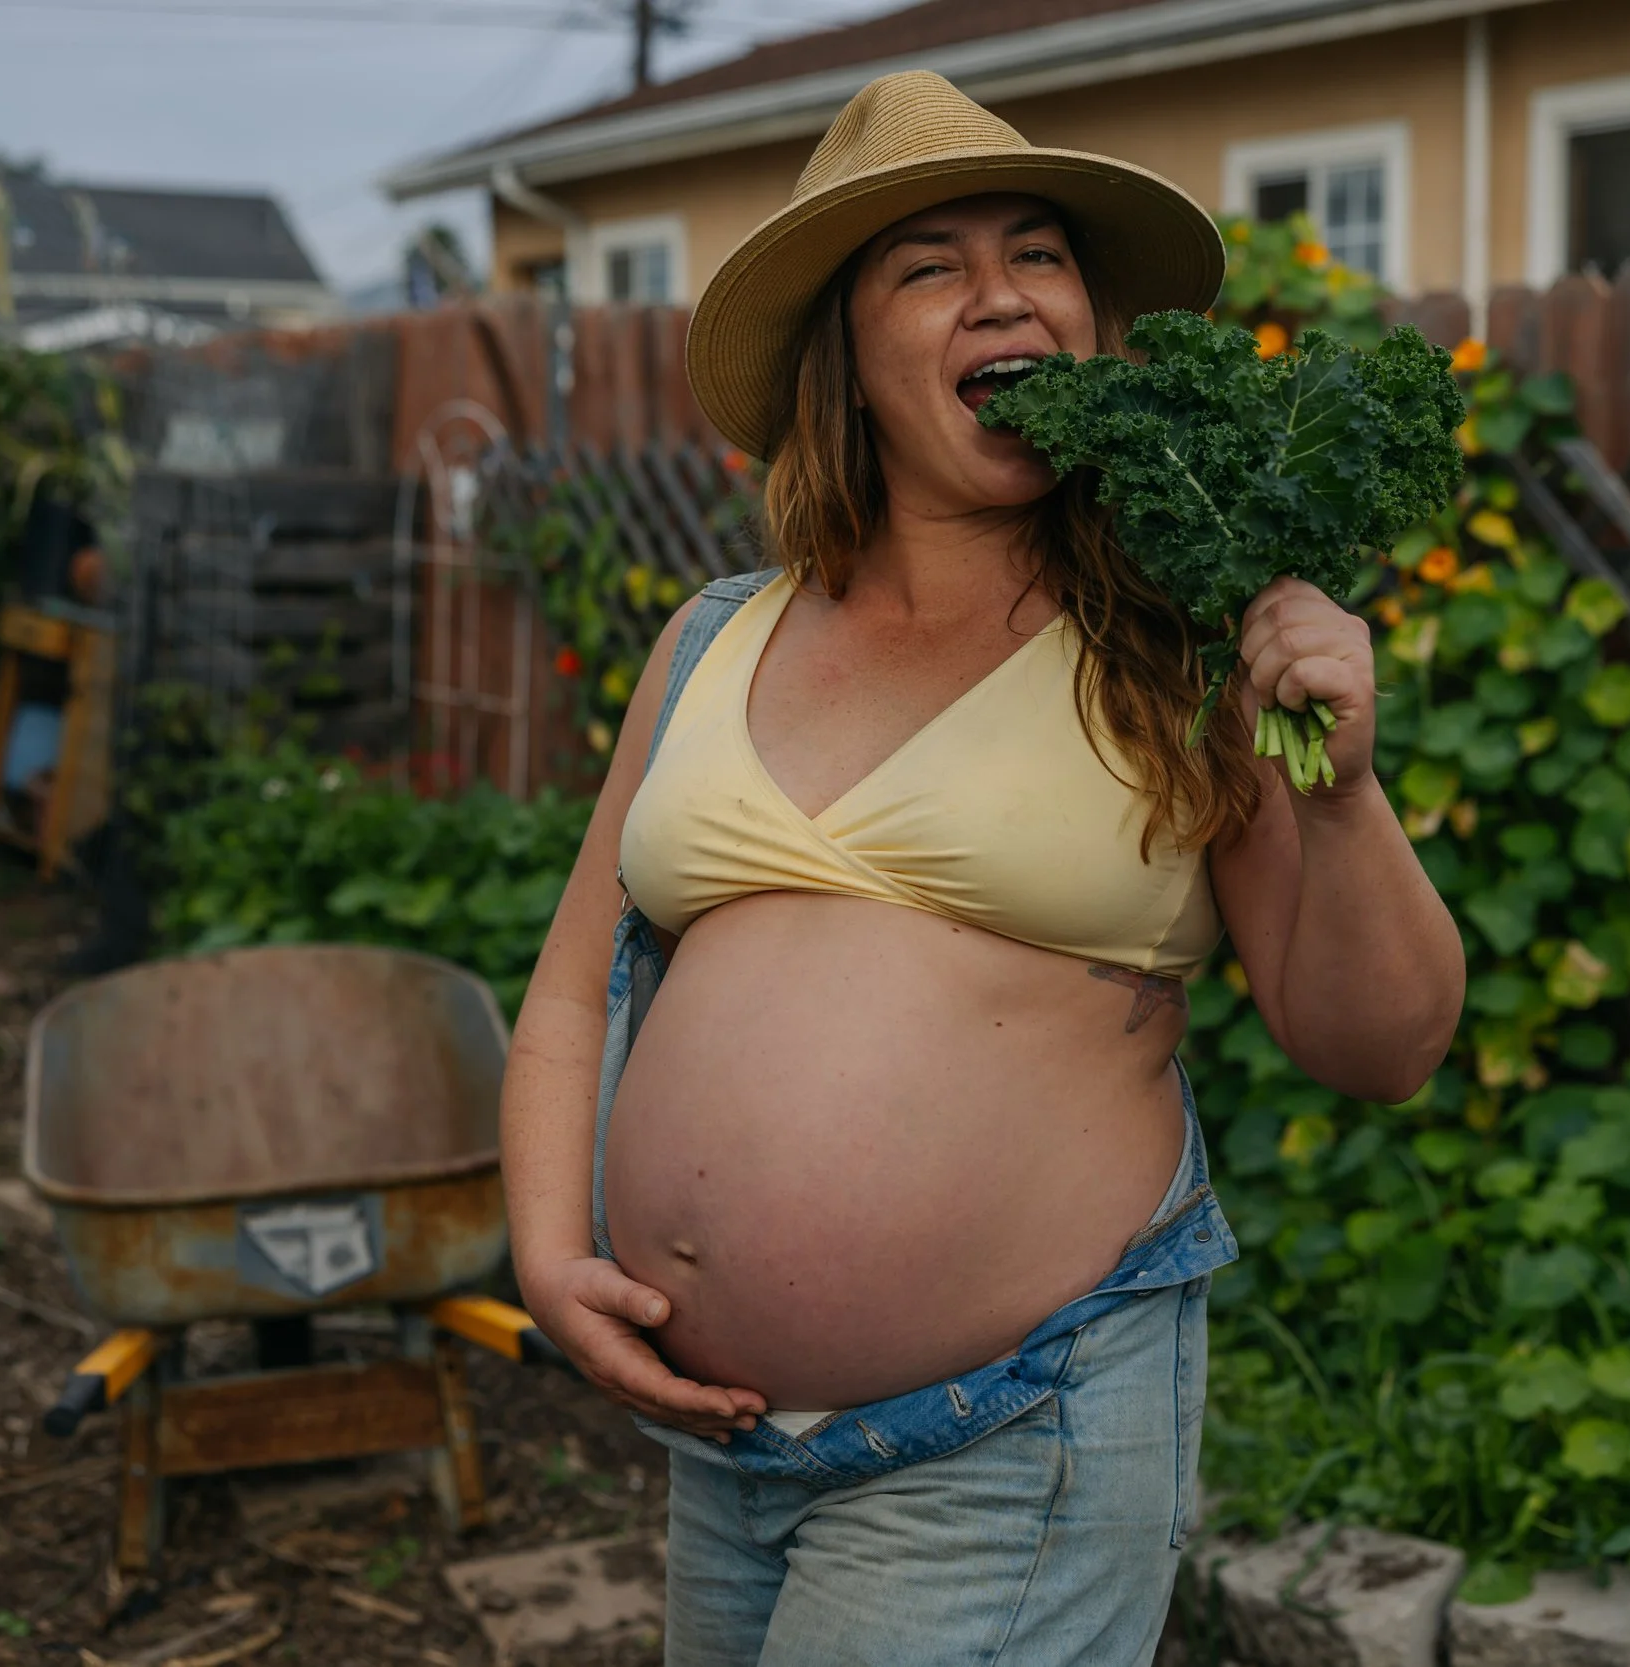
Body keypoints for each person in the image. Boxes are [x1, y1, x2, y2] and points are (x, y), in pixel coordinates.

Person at [500, 70, 1465, 1666]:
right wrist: (546, 1251)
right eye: (929, 266)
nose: (1003, 294)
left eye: (1039, 254)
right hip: (720, 1452)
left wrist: (1345, 791)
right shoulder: (711, 639)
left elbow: (1384, 1044)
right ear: (849, 359)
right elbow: (563, 995)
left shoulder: (1177, 645)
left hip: (1008, 1440)